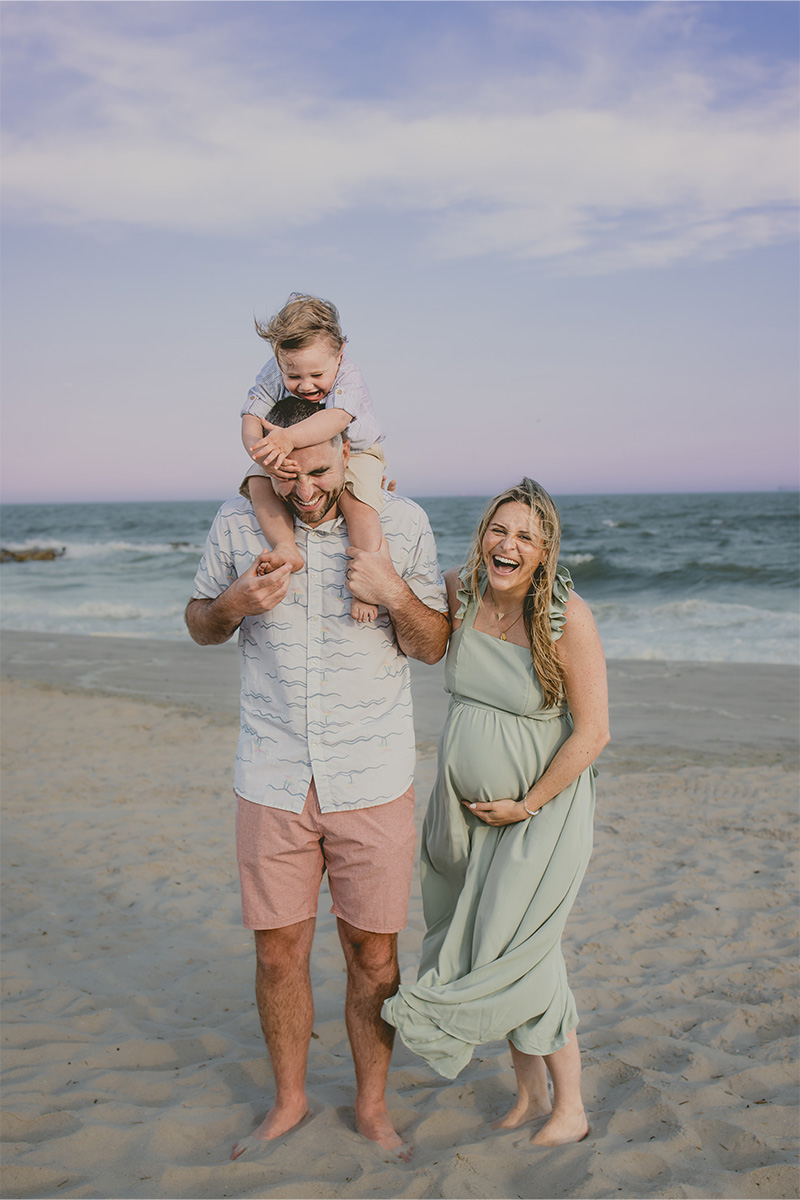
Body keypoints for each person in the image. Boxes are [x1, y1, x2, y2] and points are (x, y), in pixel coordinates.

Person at [185, 396, 450, 1161]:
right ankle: (290, 1101)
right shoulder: (238, 525)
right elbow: (198, 621)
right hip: (272, 776)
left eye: (321, 471)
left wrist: (394, 592)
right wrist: (234, 602)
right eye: (287, 473)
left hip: (371, 777)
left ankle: (371, 1106)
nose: (304, 490)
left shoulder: (401, 524)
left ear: (350, 450)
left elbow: (432, 646)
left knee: (374, 956)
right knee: (277, 954)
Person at [382, 478, 609, 1147]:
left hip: (541, 816)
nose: (508, 544)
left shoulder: (567, 616)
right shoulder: (461, 590)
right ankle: (530, 1092)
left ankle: (571, 1106)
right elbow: (397, 603)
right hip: (464, 814)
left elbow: (592, 734)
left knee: (526, 952)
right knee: (485, 944)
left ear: (545, 551)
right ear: (484, 535)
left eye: (525, 537)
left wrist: (527, 804)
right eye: (499, 530)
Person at [240, 293, 386, 624]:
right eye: (294, 377)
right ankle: (286, 547)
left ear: (340, 354)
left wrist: (287, 437)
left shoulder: (349, 375)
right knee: (257, 482)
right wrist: (261, 456)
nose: (305, 385)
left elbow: (336, 418)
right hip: (294, 447)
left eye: (317, 376)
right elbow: (251, 416)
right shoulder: (275, 368)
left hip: (358, 448)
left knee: (358, 505)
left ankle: (365, 586)